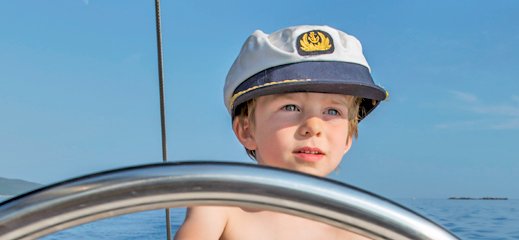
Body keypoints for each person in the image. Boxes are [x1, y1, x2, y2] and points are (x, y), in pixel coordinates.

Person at [174, 25, 387, 240]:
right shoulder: (219, 207)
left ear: (348, 137)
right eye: (291, 107)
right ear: (247, 130)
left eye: (332, 111)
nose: (313, 127)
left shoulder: (363, 228)